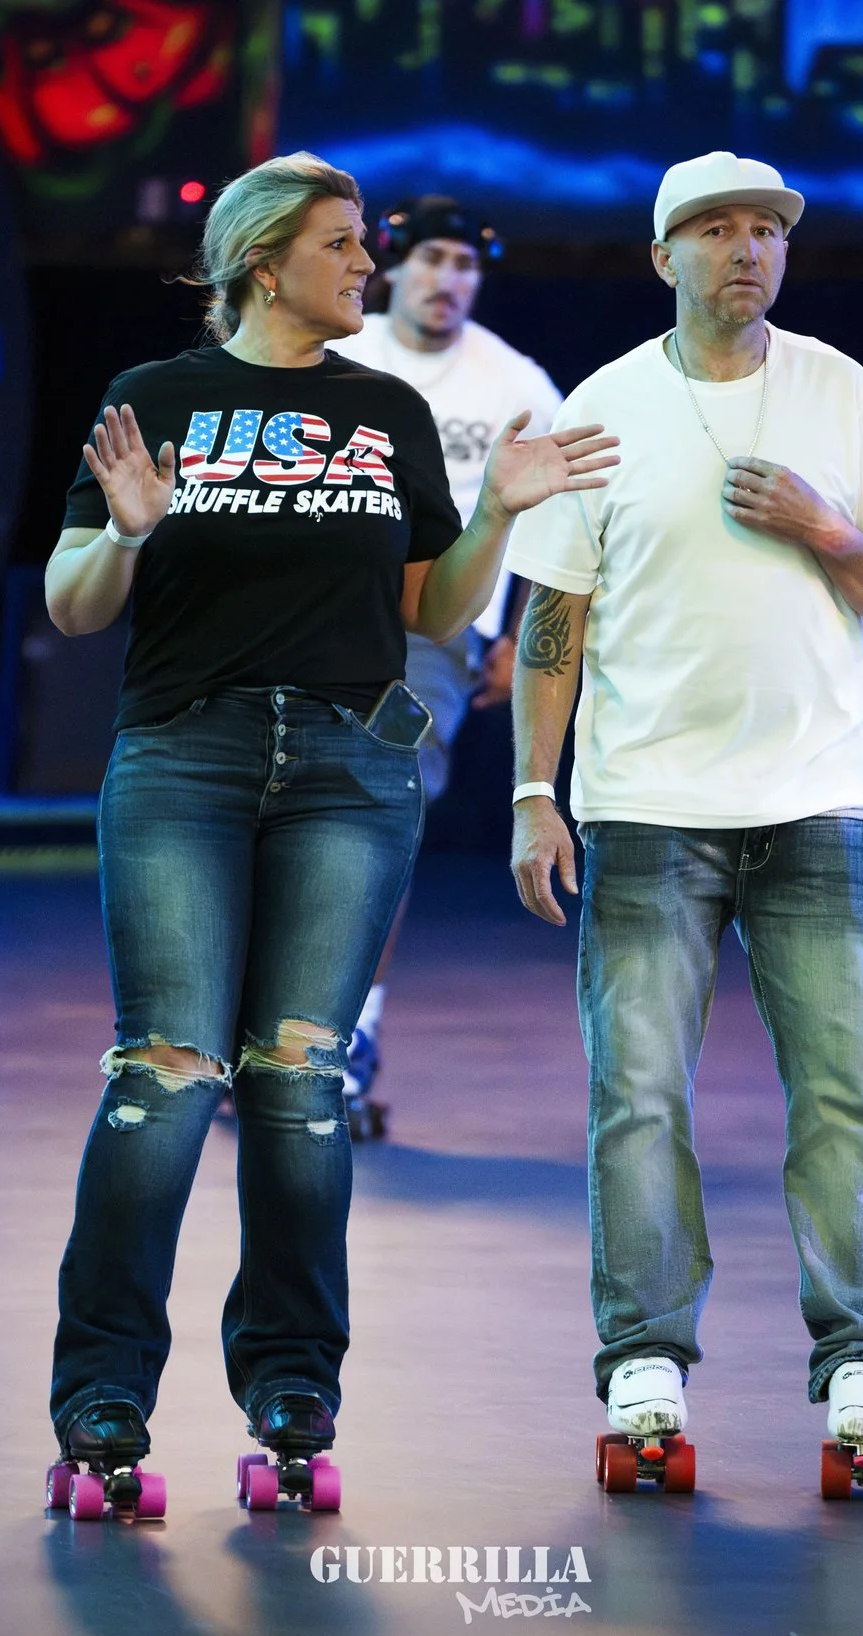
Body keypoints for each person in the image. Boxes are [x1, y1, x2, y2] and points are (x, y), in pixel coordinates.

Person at [40, 152, 613, 1503]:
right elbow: (75, 605)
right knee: (165, 1074)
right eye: (347, 246)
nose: (372, 266)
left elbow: (432, 610)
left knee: (302, 1087)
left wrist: (497, 514)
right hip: (187, 753)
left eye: (368, 245)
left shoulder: (387, 411)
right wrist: (127, 532)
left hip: (352, 764)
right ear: (263, 259)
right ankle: (105, 1392)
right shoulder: (154, 399)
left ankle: (293, 1381)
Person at [503, 153, 863, 1461]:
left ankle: (859, 1360)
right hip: (645, 808)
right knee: (638, 1094)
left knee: (847, 1092)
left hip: (819, 805)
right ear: (663, 259)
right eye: (714, 230)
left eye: (766, 230)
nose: (746, 249)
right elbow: (553, 618)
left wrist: (826, 527)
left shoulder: (839, 389)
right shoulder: (608, 403)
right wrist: (535, 787)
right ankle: (644, 1359)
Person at [327, 195, 563, 1133]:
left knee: (380, 820)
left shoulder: (517, 383)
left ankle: (342, 1045)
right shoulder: (339, 351)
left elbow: (561, 525)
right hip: (315, 618)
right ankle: (269, 1032)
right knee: (281, 821)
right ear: (394, 264)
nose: (448, 279)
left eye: (465, 264)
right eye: (431, 258)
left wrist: (518, 634)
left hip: (434, 631)